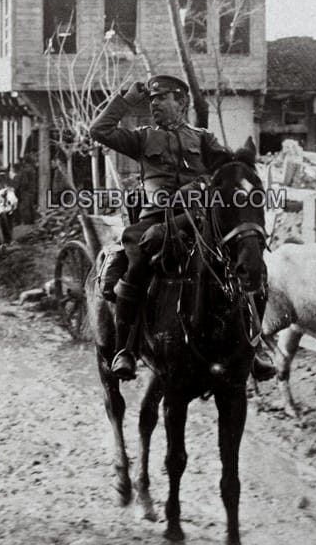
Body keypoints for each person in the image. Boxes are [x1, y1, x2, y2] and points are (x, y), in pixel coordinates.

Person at [89, 74, 275, 382]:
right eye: (151, 100)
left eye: (161, 99)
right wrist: (124, 99)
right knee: (138, 257)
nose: (155, 105)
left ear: (181, 101)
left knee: (250, 262)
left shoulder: (202, 138)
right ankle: (125, 349)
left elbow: (227, 170)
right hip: (154, 219)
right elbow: (99, 130)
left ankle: (255, 344)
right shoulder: (143, 137)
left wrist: (204, 187)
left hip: (198, 219)